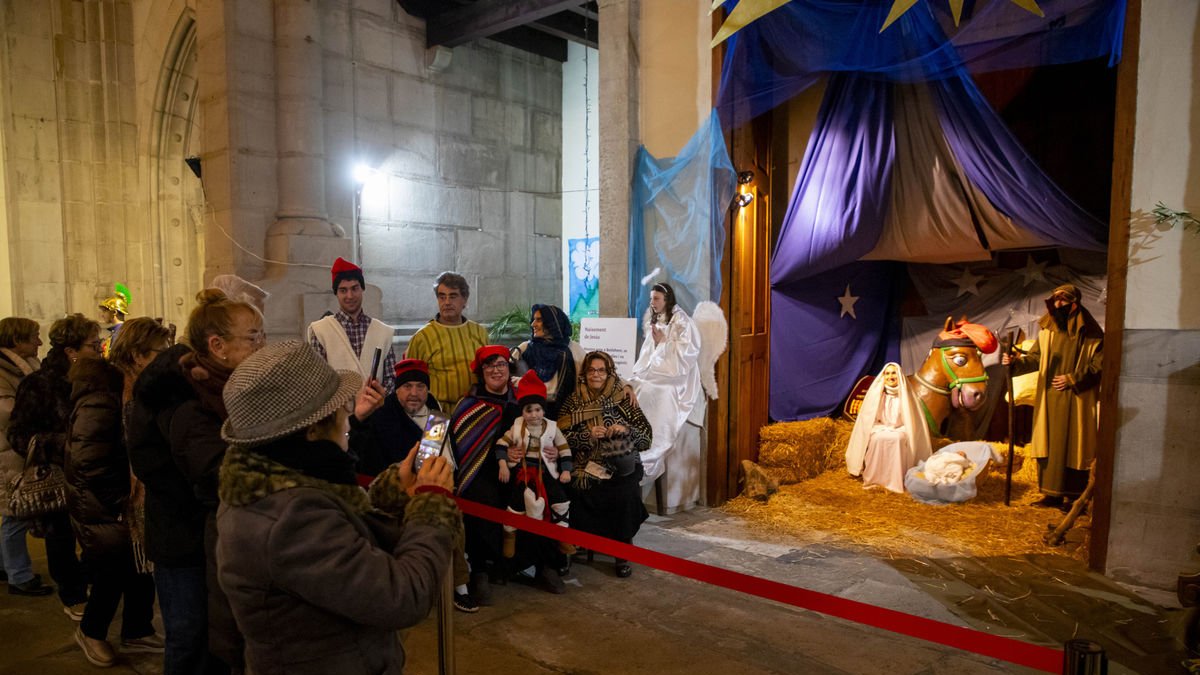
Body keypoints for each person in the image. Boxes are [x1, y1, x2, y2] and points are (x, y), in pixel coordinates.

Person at [216, 340, 460, 675]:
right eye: (339, 410)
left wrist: (393, 492)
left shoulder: (280, 483)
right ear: (313, 431)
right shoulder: (291, 519)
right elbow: (401, 596)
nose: (348, 420)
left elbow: (345, 546)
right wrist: (431, 506)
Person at [149, 288, 264, 673]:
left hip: (230, 538)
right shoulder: (189, 405)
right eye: (253, 337)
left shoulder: (236, 390)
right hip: (196, 537)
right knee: (195, 639)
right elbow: (222, 474)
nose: (262, 346)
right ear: (218, 346)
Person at [346, 358, 479, 614]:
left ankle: (458, 581)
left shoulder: (435, 414)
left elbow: (446, 451)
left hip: (437, 480)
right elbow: (374, 460)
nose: (414, 393)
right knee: (446, 513)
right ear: (397, 390)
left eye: (420, 386)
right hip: (395, 490)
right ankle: (458, 584)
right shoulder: (384, 417)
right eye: (407, 387)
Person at [66, 322, 163, 667]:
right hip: (104, 502)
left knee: (140, 565)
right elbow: (86, 457)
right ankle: (91, 631)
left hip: (129, 499)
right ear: (137, 356)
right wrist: (119, 500)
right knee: (111, 573)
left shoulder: (138, 389)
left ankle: (137, 630)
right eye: (159, 352)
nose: (164, 358)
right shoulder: (104, 395)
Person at [450, 345, 564, 595]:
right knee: (481, 497)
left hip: (523, 468)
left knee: (544, 491)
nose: (496, 370)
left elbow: (548, 429)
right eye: (489, 365)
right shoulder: (469, 404)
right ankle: (480, 568)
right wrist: (500, 456)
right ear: (481, 371)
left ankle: (545, 564)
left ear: (508, 368)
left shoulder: (524, 400)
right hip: (483, 470)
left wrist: (554, 450)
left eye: (501, 364)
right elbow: (463, 449)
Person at [7, 314, 93, 616]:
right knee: (61, 539)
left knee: (96, 536)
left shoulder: (94, 378)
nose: (99, 348)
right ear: (71, 351)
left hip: (91, 473)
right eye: (92, 344)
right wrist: (64, 445)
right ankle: (72, 595)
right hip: (59, 475)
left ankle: (86, 580)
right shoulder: (39, 385)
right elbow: (18, 434)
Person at [1002, 284, 1103, 506]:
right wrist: (1015, 363)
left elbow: (1099, 366)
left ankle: (1074, 498)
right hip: (1049, 399)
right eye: (1055, 300)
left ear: (1074, 303)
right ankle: (1051, 495)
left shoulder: (1091, 334)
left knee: (1075, 445)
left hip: (1077, 399)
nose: (1058, 304)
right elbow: (1035, 359)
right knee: (1049, 443)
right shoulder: (1047, 332)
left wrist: (1073, 379)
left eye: (1063, 300)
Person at [557, 351, 651, 578]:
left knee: (624, 493)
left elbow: (647, 439)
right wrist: (586, 437)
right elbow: (559, 436)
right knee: (574, 489)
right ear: (584, 373)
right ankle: (570, 548)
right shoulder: (573, 402)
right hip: (584, 464)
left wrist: (626, 430)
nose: (596, 375)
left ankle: (622, 552)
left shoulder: (624, 399)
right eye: (591, 370)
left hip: (621, 465)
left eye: (601, 370)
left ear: (609, 373)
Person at [628, 282, 701, 484]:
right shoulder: (659, 317)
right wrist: (656, 344)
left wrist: (663, 342)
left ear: (667, 299)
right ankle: (634, 443)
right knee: (637, 383)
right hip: (658, 367)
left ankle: (654, 446)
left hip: (678, 373)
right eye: (651, 298)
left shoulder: (682, 320)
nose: (652, 302)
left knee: (656, 390)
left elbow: (688, 352)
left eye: (656, 298)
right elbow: (648, 351)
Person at [0, 317, 52, 597]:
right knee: (16, 514)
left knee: (15, 512)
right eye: (33, 337)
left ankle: (6, 566)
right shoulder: (3, 371)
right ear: (16, 341)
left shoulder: (26, 365)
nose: (39, 342)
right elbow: (7, 413)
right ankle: (19, 576)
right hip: (10, 452)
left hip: (20, 449)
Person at [496, 371, 573, 560]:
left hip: (546, 471)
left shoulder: (552, 427)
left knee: (559, 499)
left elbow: (564, 449)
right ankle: (509, 535)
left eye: (538, 410)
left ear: (544, 410)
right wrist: (503, 464)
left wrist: (566, 470)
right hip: (523, 470)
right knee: (516, 501)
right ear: (522, 411)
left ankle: (563, 536)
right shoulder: (517, 426)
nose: (533, 415)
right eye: (528, 410)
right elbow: (501, 444)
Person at [307, 257, 397, 393]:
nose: (350, 296)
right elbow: (317, 381)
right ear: (336, 293)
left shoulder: (383, 332)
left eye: (354, 288)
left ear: (362, 289)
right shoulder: (320, 331)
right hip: (338, 406)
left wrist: (375, 399)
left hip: (376, 405)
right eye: (343, 290)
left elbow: (390, 379)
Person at [844, 363, 933, 493]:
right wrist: (881, 428)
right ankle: (875, 478)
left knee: (897, 439)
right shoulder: (876, 396)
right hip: (880, 428)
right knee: (877, 439)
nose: (890, 376)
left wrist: (898, 430)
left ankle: (896, 480)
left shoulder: (907, 397)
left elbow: (912, 422)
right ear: (883, 376)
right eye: (887, 373)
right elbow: (870, 419)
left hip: (901, 431)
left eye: (894, 373)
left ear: (899, 375)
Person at [406, 271, 488, 409]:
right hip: (436, 412)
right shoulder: (422, 337)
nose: (447, 302)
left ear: (464, 300)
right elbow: (409, 381)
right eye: (442, 297)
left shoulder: (479, 332)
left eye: (453, 296)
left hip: (473, 409)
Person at [509, 304, 583, 419]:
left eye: (539, 320)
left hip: (564, 415)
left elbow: (584, 384)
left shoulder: (573, 349)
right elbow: (508, 378)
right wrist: (523, 383)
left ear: (552, 323)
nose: (533, 324)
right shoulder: (525, 348)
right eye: (533, 319)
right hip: (529, 416)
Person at [98, 283, 132, 357]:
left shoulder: (121, 332)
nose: (102, 315)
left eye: (104, 311)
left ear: (114, 312)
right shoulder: (119, 331)